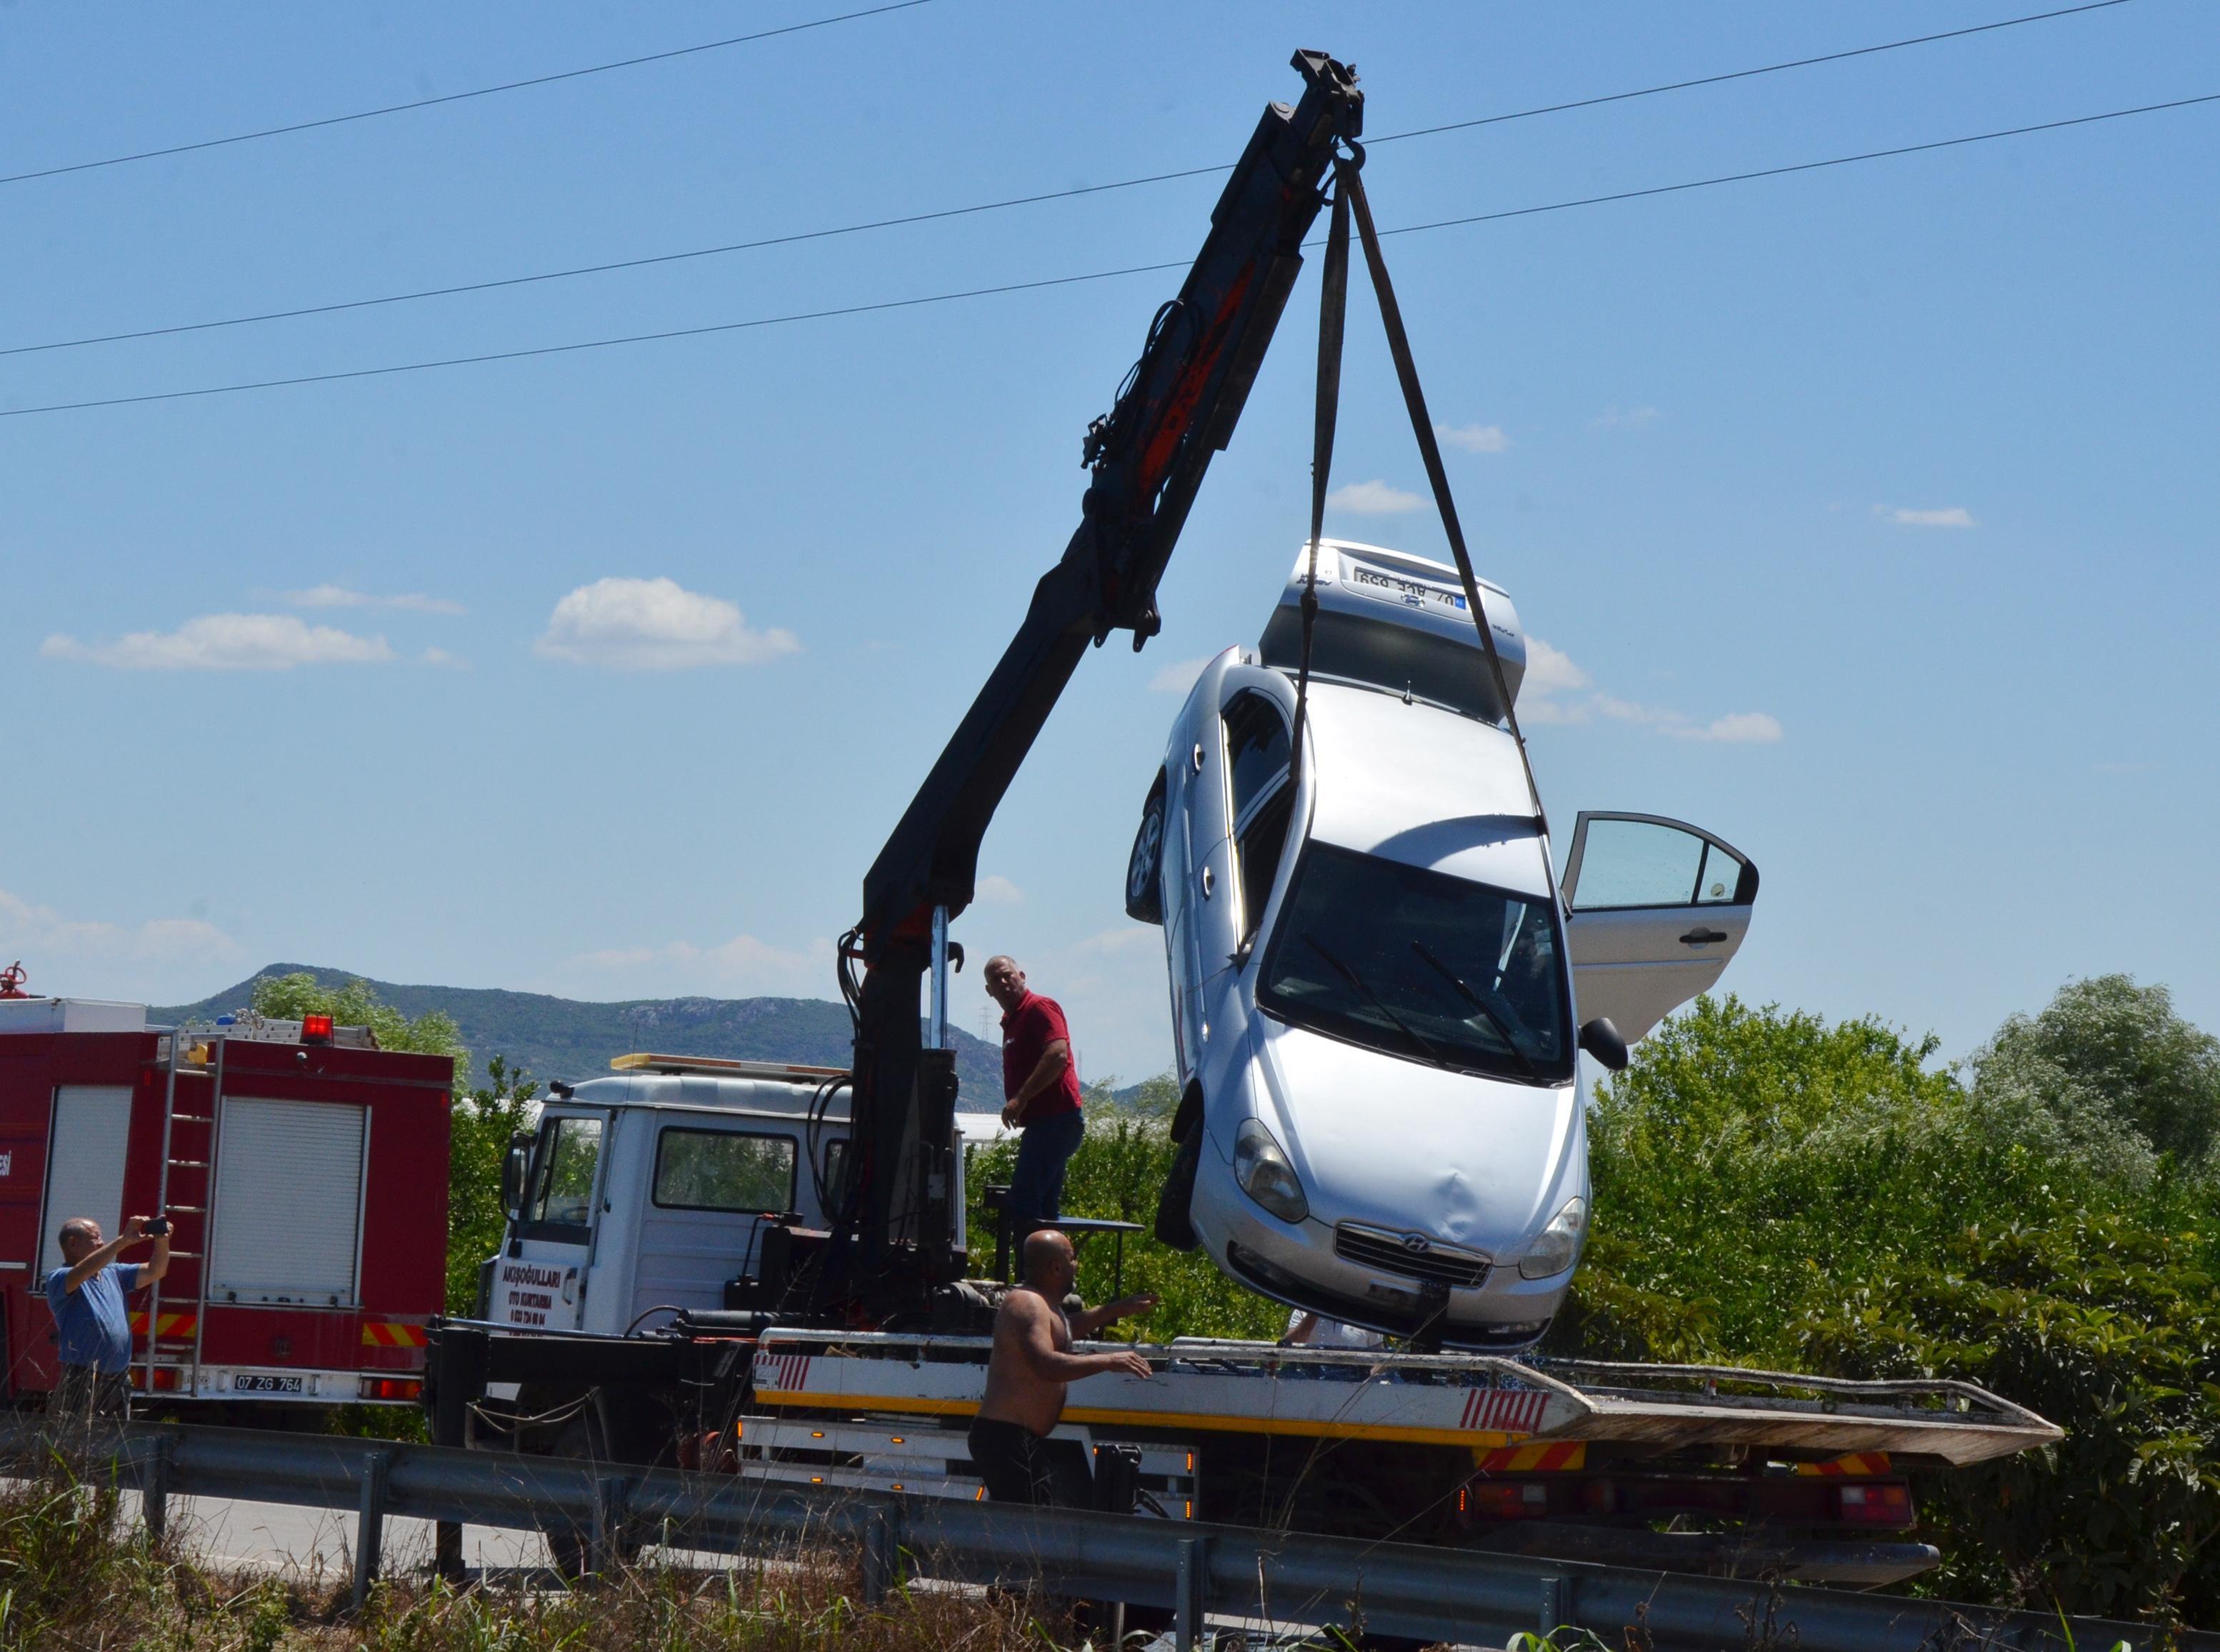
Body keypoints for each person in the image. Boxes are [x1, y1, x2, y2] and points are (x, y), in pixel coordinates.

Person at [968, 1228, 1157, 1506]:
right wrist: (1108, 1360)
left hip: (1017, 1439)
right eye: (1072, 1258)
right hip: (1004, 1439)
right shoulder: (1027, 1303)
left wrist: (1115, 1309)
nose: (1076, 1265)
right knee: (1026, 1532)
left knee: (1023, 1530)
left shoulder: (1045, 1306)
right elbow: (1047, 1365)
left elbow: (1067, 1330)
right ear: (1056, 1266)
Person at [984, 954, 1086, 1236]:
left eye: (1008, 975)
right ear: (989, 991)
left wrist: (1020, 1099)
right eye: (996, 980)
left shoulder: (1039, 1008)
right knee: (1044, 1209)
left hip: (1058, 1120)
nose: (1004, 982)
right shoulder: (1012, 1021)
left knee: (1025, 1203)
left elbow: (1057, 1055)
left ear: (1022, 976)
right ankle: (1052, 1276)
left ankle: (1031, 1275)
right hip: (1045, 1123)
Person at [45, 1214, 169, 1424]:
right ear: (73, 1244)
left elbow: (155, 1271)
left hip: (118, 1377)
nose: (102, 1242)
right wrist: (122, 1242)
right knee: (77, 1438)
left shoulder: (114, 1273)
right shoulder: (59, 1277)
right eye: (95, 1238)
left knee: (115, 1446)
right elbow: (81, 1272)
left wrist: (162, 1240)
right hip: (82, 1377)